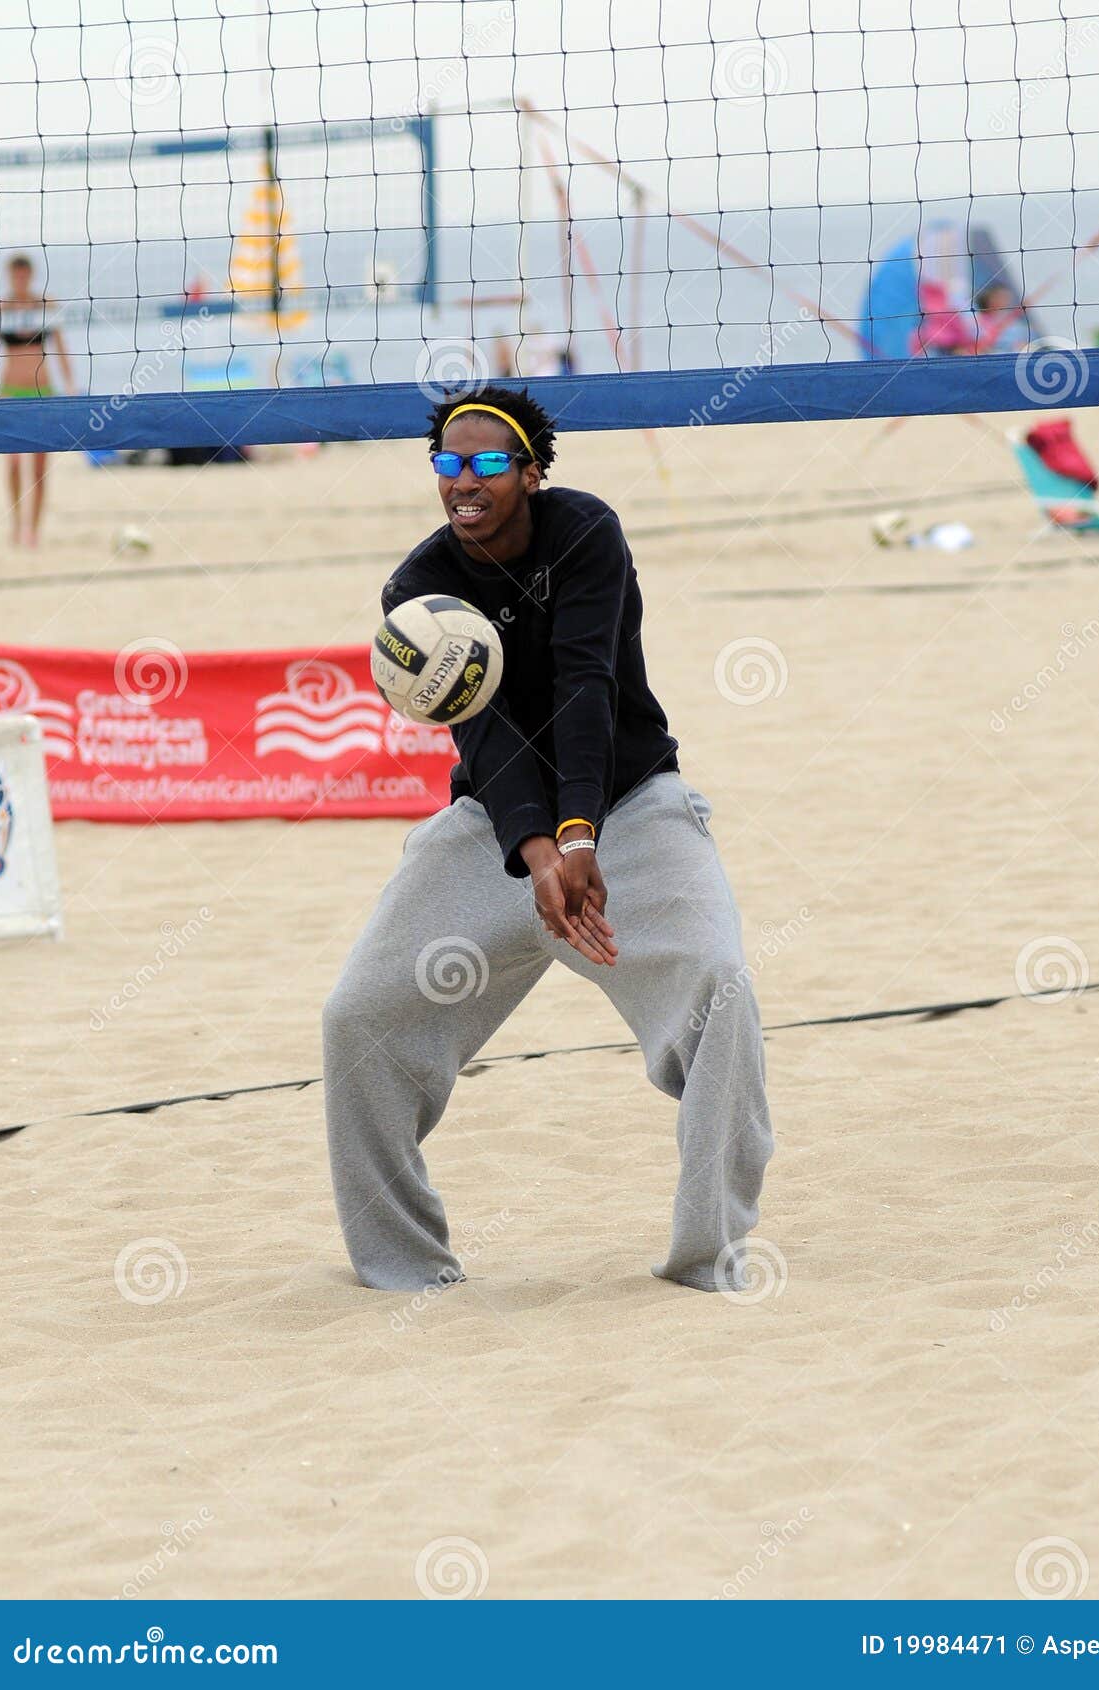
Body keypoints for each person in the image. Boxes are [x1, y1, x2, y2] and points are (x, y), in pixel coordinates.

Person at [323, 386, 775, 1295]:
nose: (465, 478)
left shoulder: (584, 534)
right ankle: (404, 1267)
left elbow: (586, 689)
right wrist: (540, 853)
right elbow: (487, 740)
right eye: (449, 462)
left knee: (720, 987)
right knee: (357, 1019)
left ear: (531, 472)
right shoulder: (417, 590)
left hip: (634, 805)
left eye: (490, 462)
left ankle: (704, 1257)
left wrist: (579, 838)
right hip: (494, 824)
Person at [0, 254, 74, 547]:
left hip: (42, 391)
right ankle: (17, 524)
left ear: (30, 275)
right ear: (10, 276)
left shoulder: (46, 306)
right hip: (10, 392)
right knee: (14, 463)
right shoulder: (1, 308)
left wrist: (70, 386)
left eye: (24, 275)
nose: (20, 279)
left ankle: (34, 530)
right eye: (15, 275)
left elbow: (61, 348)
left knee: (40, 466)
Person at [972, 282, 1029, 353]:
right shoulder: (977, 319)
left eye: (1006, 298)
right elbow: (981, 344)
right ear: (989, 298)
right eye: (1000, 297)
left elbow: (1022, 343)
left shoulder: (1014, 323)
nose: (1004, 301)